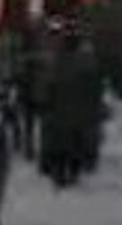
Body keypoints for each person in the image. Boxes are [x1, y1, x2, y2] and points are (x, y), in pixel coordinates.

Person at [39, 26, 104, 188]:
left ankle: (59, 171)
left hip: (61, 109)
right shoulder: (87, 60)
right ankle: (73, 170)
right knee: (77, 141)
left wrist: (48, 103)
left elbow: (50, 85)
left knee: (59, 141)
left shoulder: (58, 60)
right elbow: (94, 86)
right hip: (79, 110)